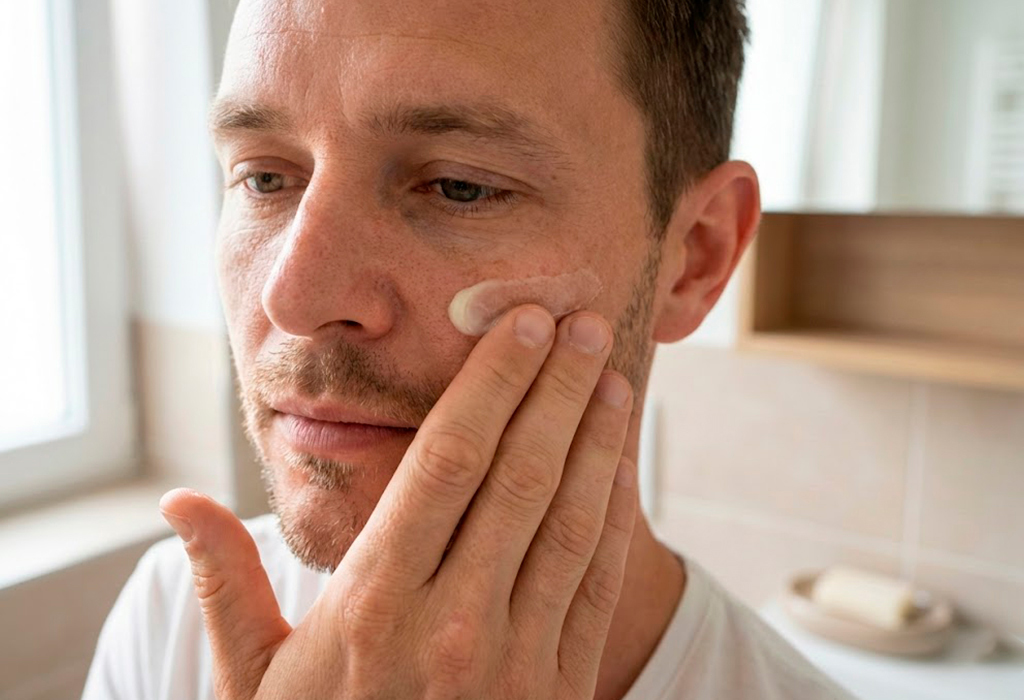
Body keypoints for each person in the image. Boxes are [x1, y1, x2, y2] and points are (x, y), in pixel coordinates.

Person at [83, 0, 856, 698]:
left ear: (696, 255)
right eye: (263, 179)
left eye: (458, 186)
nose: (294, 298)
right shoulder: (168, 620)